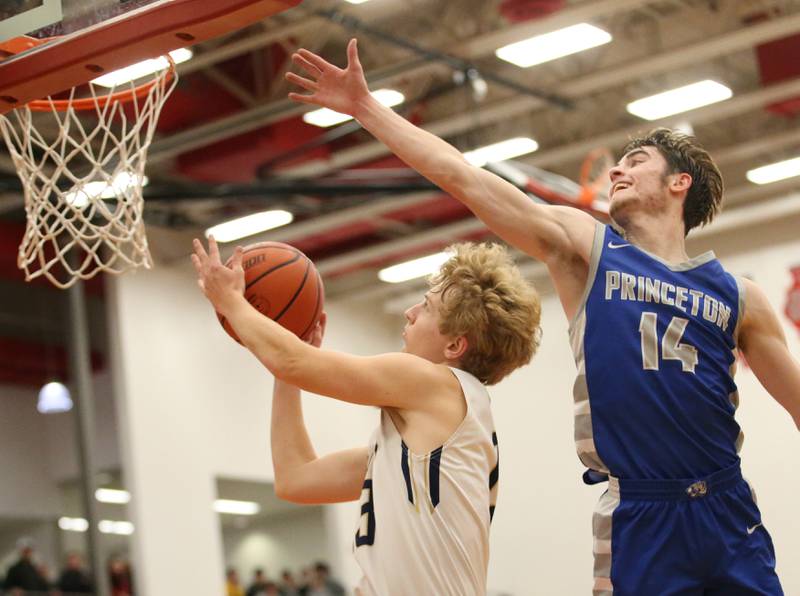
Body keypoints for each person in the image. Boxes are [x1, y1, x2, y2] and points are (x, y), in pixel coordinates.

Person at [285, 39, 800, 595]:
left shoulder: (739, 295)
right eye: (618, 164)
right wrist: (367, 108)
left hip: (727, 505)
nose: (618, 172)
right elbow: (466, 179)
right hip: (641, 514)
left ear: (681, 184)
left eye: (637, 163)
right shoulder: (588, 248)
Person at [192, 237, 542, 595]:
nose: (410, 312)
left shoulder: (437, 384)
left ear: (454, 345)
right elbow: (295, 479)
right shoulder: (422, 445)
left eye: (427, 306)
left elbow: (294, 361)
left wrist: (231, 301)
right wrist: (287, 377)